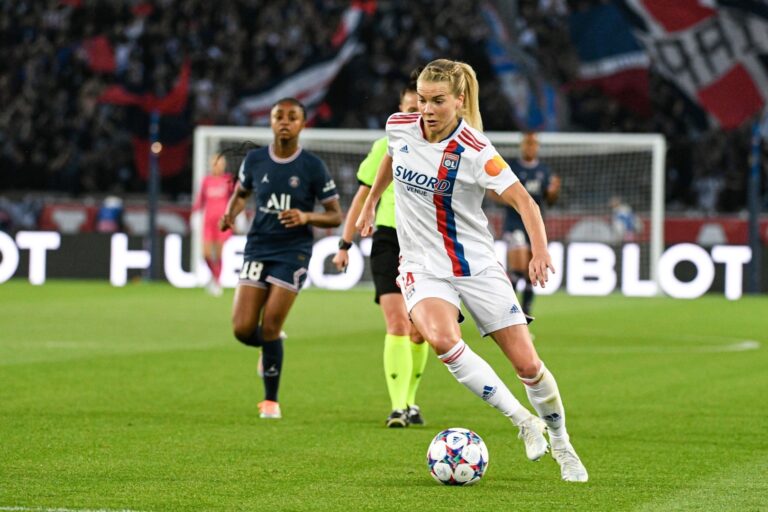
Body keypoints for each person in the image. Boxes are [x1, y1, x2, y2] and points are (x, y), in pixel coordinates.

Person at [356, 59, 588, 482]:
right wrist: (373, 200)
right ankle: (523, 421)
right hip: (421, 265)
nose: (427, 109)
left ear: (460, 101)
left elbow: (526, 202)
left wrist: (539, 251)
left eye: (437, 101)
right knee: (443, 339)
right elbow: (391, 157)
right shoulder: (398, 125)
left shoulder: (475, 150)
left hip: (475, 266)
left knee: (528, 366)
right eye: (423, 100)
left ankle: (561, 441)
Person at [219, 97, 342, 419]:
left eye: (292, 117)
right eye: (278, 116)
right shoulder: (256, 159)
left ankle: (270, 401)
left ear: (302, 124)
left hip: (293, 252)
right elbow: (242, 192)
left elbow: (335, 216)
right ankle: (270, 346)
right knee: (243, 329)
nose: (285, 122)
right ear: (271, 122)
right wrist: (230, 213)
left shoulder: (312, 165)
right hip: (258, 246)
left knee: (271, 324)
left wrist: (305, 217)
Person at [332, 70, 430, 428]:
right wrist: (345, 244)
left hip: (425, 243)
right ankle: (398, 406)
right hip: (388, 238)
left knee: (420, 330)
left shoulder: (441, 148)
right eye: (409, 107)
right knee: (397, 323)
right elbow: (361, 197)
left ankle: (412, 401)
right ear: (398, 110)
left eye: (420, 106)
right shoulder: (383, 147)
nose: (415, 114)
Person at [499, 132, 560, 315]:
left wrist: (553, 191)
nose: (530, 147)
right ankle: (507, 310)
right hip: (514, 223)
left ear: (538, 147)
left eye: (533, 144)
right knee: (517, 270)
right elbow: (494, 192)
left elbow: (550, 201)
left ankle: (524, 313)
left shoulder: (545, 171)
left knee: (528, 273)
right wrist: (514, 201)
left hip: (533, 226)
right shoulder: (512, 167)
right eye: (527, 144)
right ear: (522, 146)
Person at [193, 153, 235, 296]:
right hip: (208, 222)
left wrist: (236, 217)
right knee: (205, 254)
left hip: (221, 223)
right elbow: (200, 200)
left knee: (218, 254)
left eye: (219, 163)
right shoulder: (206, 181)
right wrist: (195, 214)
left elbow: (235, 199)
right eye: (215, 163)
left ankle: (217, 282)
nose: (217, 166)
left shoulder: (228, 180)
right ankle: (215, 277)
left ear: (223, 165)